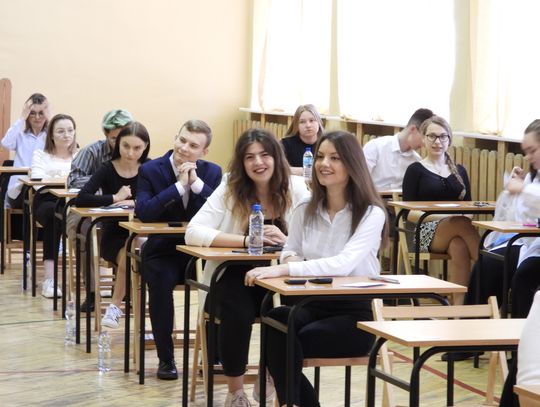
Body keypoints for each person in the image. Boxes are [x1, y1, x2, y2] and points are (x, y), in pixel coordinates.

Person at [245, 130, 388, 407]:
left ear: (352, 164)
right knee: (275, 320)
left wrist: (285, 270)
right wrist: (289, 262)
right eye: (320, 156)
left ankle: (283, 386)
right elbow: (290, 251)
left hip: (355, 312)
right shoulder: (304, 207)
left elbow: (343, 264)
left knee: (285, 342)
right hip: (309, 302)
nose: (324, 164)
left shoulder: (371, 213)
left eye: (334, 158)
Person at [186, 128, 309, 406]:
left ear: (276, 157)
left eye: (264, 155)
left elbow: (313, 243)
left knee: (290, 312)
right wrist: (247, 240)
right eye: (250, 157)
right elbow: (193, 232)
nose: (258, 162)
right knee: (238, 312)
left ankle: (272, 371)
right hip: (234, 274)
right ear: (242, 163)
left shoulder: (297, 188)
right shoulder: (230, 187)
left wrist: (287, 240)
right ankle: (236, 392)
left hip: (280, 273)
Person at [135, 119, 222, 380]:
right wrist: (178, 187)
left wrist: (196, 185)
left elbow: (223, 212)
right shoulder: (150, 169)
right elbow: (145, 212)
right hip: (163, 250)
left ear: (204, 151)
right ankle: (166, 359)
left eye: (193, 145)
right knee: (160, 283)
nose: (184, 148)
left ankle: (213, 355)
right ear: (176, 138)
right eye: (182, 140)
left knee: (222, 281)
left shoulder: (213, 172)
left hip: (201, 252)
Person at [75, 122, 150, 329]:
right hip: (114, 236)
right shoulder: (108, 168)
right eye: (126, 146)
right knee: (132, 249)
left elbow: (160, 200)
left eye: (137, 148)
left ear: (145, 147)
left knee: (139, 244)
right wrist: (114, 197)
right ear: (118, 144)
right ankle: (116, 307)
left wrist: (135, 203)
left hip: (144, 232)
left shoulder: (150, 168)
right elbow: (82, 199)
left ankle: (144, 320)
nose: (130, 153)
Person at [402, 115, 479, 301]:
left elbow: (469, 207)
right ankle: (490, 268)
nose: (438, 142)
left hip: (455, 229)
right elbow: (408, 213)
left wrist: (454, 219)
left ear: (449, 139)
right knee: (459, 222)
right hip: (422, 232)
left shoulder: (459, 170)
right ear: (423, 139)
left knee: (459, 246)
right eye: (432, 136)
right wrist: (446, 217)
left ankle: (458, 310)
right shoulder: (415, 170)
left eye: (443, 136)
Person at [67, 109, 133, 312]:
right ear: (106, 135)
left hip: (124, 211)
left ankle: (126, 289)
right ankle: (92, 291)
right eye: (114, 139)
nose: (119, 144)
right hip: (90, 207)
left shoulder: (135, 152)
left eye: (124, 139)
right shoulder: (91, 152)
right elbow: (74, 180)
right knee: (82, 229)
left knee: (134, 234)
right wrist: (103, 181)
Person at [31, 114, 78, 298]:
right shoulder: (41, 154)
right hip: (46, 200)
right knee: (54, 215)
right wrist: (66, 180)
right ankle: (49, 279)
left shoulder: (80, 155)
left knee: (92, 218)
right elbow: (38, 181)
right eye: (60, 131)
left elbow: (87, 181)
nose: (66, 135)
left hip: (74, 201)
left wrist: (56, 177)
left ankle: (95, 278)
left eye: (70, 130)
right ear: (51, 135)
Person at [363, 108, 434, 190]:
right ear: (412, 129)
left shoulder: (416, 160)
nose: (425, 143)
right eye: (424, 137)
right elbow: (359, 182)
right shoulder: (375, 147)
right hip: (372, 196)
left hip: (401, 198)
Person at [2, 93, 50, 208]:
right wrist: (21, 118)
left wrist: (50, 119)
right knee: (32, 193)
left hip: (45, 186)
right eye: (32, 113)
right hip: (19, 189)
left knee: (50, 199)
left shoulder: (51, 136)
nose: (37, 117)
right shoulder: (20, 135)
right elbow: (5, 143)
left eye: (41, 113)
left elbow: (65, 145)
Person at [280, 104, 324, 176]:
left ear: (319, 122)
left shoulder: (326, 143)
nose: (308, 125)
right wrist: (307, 171)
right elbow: (279, 168)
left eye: (311, 120)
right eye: (302, 122)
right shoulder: (285, 144)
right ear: (296, 125)